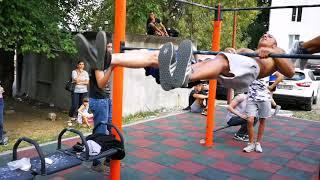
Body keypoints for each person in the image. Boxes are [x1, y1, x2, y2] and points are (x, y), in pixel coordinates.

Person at [156, 32, 295, 92]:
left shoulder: (278, 51)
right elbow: (234, 53)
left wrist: (272, 53)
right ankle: (176, 78)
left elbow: (290, 72)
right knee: (210, 61)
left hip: (252, 71)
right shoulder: (249, 50)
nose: (265, 35)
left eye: (269, 36)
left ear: (274, 44)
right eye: (264, 35)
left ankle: (185, 76)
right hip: (237, 72)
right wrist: (230, 50)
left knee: (222, 60)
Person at [243, 79, 272, 153]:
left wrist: (272, 86)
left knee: (262, 121)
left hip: (264, 99)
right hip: (251, 98)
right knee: (250, 120)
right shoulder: (252, 67)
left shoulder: (268, 68)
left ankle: (258, 143)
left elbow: (280, 76)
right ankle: (251, 144)